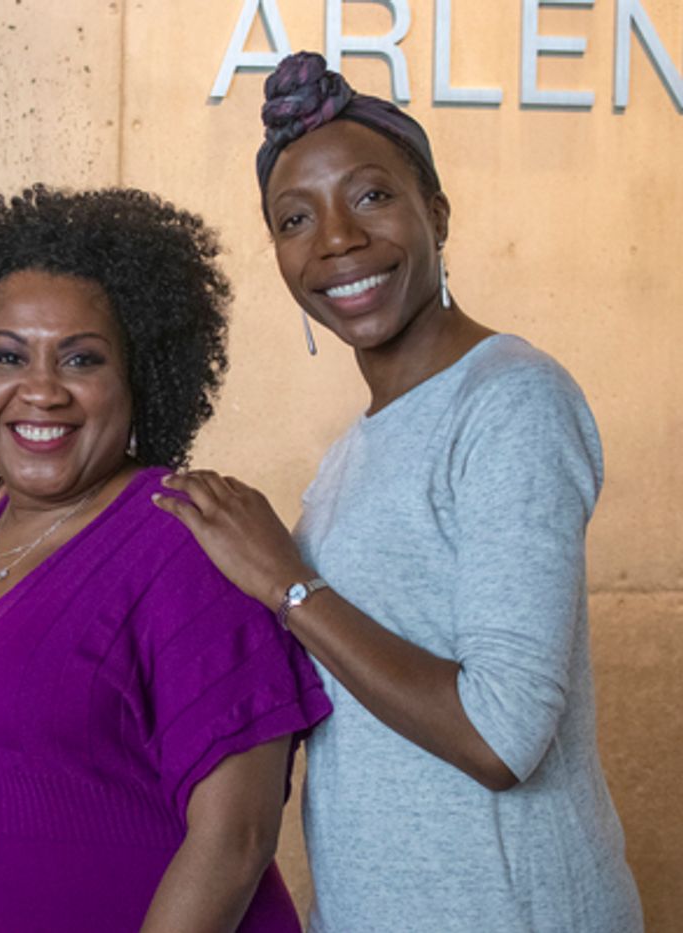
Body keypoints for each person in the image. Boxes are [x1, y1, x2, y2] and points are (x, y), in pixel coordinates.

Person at [154, 52, 644, 932]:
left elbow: (503, 737)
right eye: (295, 218)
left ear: (438, 214)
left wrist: (287, 584)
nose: (336, 239)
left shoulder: (512, 400)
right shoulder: (349, 457)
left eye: (371, 196)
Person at [0, 185, 331, 932]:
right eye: (8, 356)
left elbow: (236, 839)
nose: (41, 390)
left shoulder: (187, 542)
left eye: (80, 358)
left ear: (138, 379)